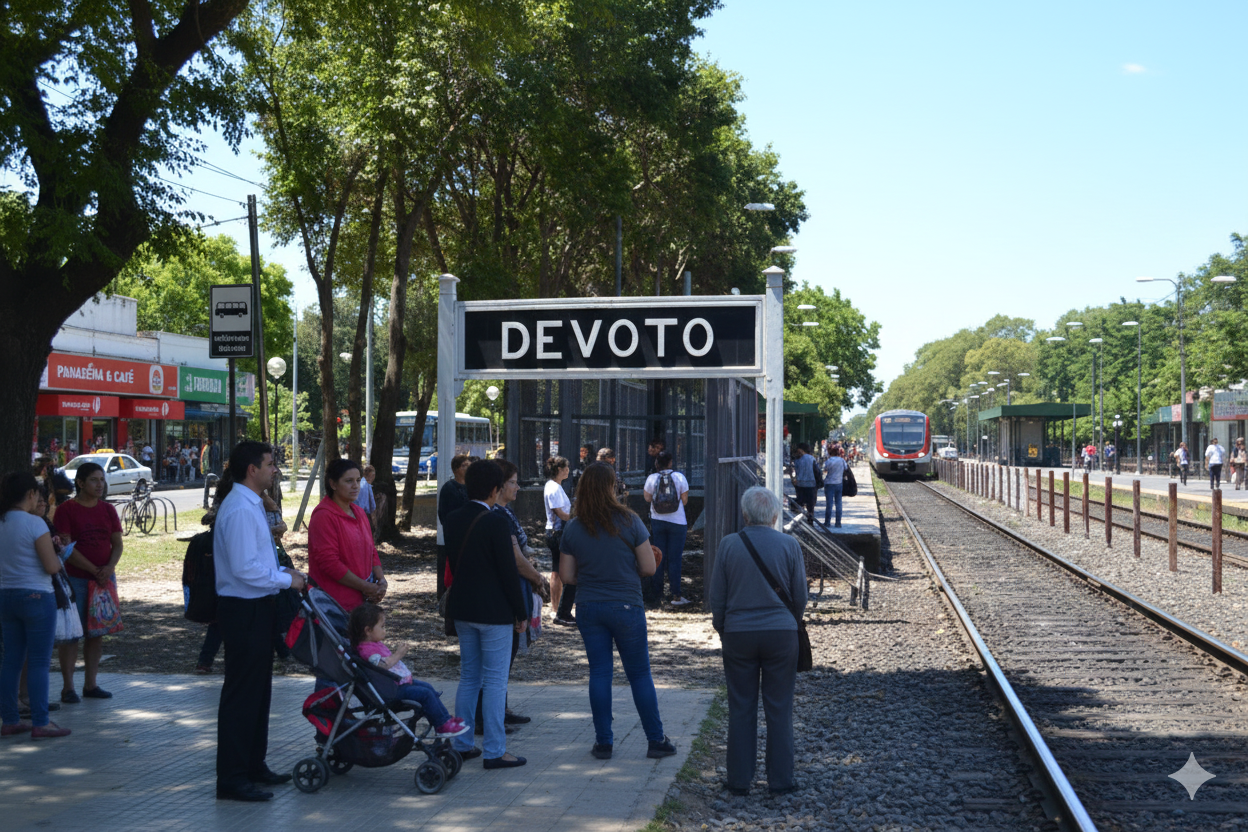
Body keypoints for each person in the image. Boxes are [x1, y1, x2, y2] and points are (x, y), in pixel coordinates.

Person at [558, 463, 678, 762]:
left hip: (589, 606)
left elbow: (568, 576)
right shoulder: (630, 521)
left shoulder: (574, 526)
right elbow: (649, 569)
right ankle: (655, 740)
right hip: (626, 605)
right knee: (639, 674)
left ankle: (603, 743)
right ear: (613, 487)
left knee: (599, 672)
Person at [212, 440, 307, 801]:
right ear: (252, 469)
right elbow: (243, 568)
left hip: (258, 607)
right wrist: (287, 579)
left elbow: (255, 561)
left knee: (259, 692)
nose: (275, 469)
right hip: (243, 609)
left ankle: (254, 765)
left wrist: (279, 570)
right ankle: (232, 778)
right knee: (242, 695)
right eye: (270, 464)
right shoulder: (238, 508)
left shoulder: (250, 505)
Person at [709, 486, 806, 796]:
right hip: (781, 635)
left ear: (745, 514)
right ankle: (781, 781)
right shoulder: (789, 546)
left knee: (741, 706)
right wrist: (789, 623)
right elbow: (800, 597)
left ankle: (739, 780)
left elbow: (717, 597)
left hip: (738, 634)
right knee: (779, 707)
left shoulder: (728, 545)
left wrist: (724, 628)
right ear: (775, 515)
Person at [443, 460, 529, 769]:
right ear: (495, 489)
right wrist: (521, 612)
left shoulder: (452, 519)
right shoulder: (496, 522)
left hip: (463, 608)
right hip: (494, 612)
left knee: (469, 678)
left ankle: (462, 743)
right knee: (495, 682)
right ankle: (495, 750)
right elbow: (508, 572)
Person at [0, 472, 71, 738]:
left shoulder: (2, 522)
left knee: (11, 660)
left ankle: (10, 719)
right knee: (40, 661)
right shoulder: (35, 523)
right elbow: (51, 566)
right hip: (37, 596)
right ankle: (41, 721)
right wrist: (60, 552)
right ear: (30, 494)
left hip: (6, 595)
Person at [53, 461, 122, 703]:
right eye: (94, 480)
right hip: (76, 580)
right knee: (72, 634)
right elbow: (65, 549)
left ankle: (91, 684)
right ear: (80, 483)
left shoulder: (108, 510)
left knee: (97, 633)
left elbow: (118, 543)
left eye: (101, 480)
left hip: (103, 580)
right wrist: (93, 569)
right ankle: (68, 687)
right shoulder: (66, 510)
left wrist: (109, 568)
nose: (99, 484)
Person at [347, 604, 468, 738]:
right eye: (382, 626)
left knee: (427, 687)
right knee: (425, 694)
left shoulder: (372, 644)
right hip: (391, 690)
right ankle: (442, 725)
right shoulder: (367, 650)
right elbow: (382, 665)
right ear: (368, 630)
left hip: (396, 684)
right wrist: (398, 654)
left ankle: (445, 719)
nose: (385, 630)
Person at [487, 459, 544, 729]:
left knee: (506, 658)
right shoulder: (497, 515)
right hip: (506, 595)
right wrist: (537, 578)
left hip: (516, 589)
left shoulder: (505, 513)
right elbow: (514, 558)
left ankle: (502, 707)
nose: (517, 487)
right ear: (498, 486)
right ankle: (491, 715)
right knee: (500, 659)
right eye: (513, 482)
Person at [307, 459, 387, 613]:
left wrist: (381, 580)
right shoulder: (324, 516)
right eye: (349, 481)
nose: (356, 486)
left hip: (361, 601)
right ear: (333, 484)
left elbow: (371, 550)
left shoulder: (359, 512)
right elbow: (329, 563)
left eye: (358, 480)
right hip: (334, 604)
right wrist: (366, 587)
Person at [643, 450, 691, 606]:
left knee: (658, 557)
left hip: (658, 521)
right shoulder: (679, 477)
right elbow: (684, 501)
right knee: (675, 558)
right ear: (670, 463)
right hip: (678, 522)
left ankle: (657, 595)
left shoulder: (652, 478)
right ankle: (676, 595)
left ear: (657, 463)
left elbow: (647, 498)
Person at [544, 456, 576, 625]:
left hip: (556, 530)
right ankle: (557, 609)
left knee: (557, 570)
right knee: (559, 570)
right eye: (565, 468)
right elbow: (560, 513)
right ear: (558, 470)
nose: (567, 471)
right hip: (557, 531)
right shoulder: (554, 488)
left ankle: (557, 608)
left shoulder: (556, 486)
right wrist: (576, 518)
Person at [436, 454, 471, 596]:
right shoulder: (449, 488)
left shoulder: (471, 486)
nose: (468, 468)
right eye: (464, 465)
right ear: (456, 469)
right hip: (456, 537)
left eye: (469, 465)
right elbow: (444, 515)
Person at [821, 446, 848, 528]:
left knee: (829, 504)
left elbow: (824, 469)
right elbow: (846, 469)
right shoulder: (842, 460)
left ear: (830, 452)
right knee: (838, 503)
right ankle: (838, 523)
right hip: (839, 483)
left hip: (829, 484)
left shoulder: (829, 461)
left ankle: (827, 522)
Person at [789, 443, 816, 522]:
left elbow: (794, 471)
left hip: (800, 484)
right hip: (811, 483)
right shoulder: (812, 458)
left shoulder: (797, 460)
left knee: (800, 502)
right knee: (810, 505)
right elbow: (816, 470)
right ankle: (810, 520)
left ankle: (799, 519)